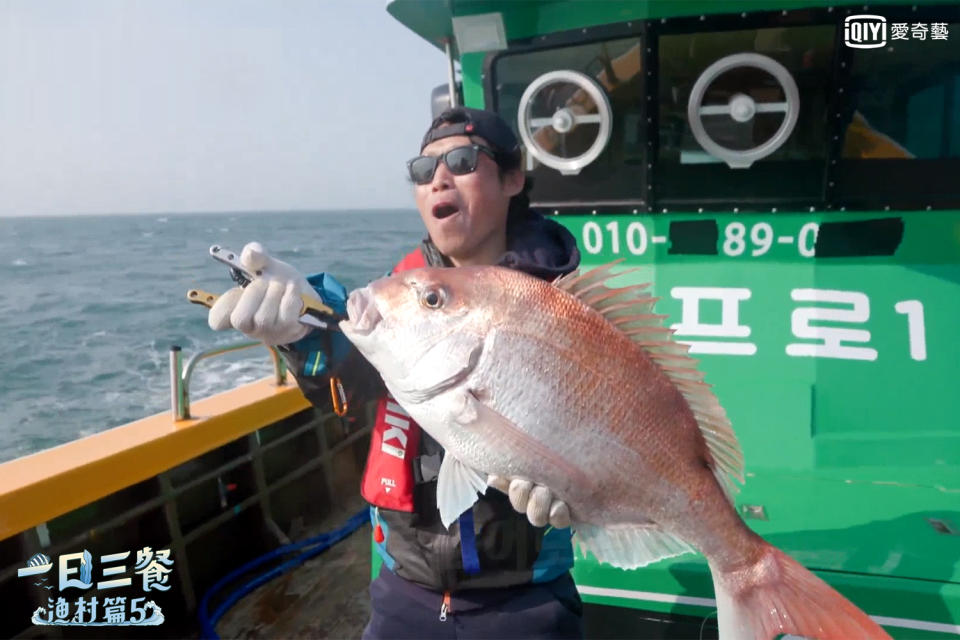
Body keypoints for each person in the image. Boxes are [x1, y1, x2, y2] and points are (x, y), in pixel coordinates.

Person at [208, 107, 585, 639]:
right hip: (402, 591)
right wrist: (300, 334)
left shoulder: (559, 305)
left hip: (523, 600)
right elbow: (346, 381)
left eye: (461, 160)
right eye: (422, 168)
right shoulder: (404, 293)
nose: (438, 178)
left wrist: (583, 489)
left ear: (513, 178)